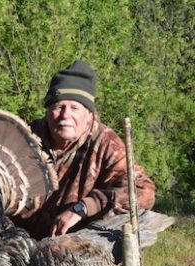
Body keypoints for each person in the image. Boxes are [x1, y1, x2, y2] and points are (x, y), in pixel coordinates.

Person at [14, 60, 156, 239]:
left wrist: (84, 207)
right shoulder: (24, 137)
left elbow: (144, 191)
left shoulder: (105, 143)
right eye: (59, 107)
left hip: (71, 245)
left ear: (89, 114)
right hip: (14, 239)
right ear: (48, 111)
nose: (65, 115)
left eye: (75, 108)